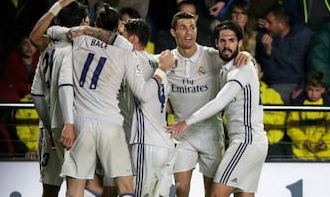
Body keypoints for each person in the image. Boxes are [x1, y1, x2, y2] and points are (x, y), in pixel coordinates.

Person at [59, 3, 176, 197]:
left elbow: (54, 33)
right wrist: (162, 69)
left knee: (76, 187)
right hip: (112, 124)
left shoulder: (79, 41)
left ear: (95, 23)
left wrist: (83, 29)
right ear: (118, 28)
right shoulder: (125, 51)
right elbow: (144, 92)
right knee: (126, 188)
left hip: (82, 121)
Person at [167, 20, 268, 197]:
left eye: (231, 40)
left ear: (240, 43)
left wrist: (186, 122)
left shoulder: (242, 67)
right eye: (222, 41)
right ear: (216, 44)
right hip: (251, 141)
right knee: (243, 195)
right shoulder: (225, 69)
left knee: (216, 194)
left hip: (246, 141)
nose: (227, 45)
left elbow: (219, 102)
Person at [29, 0, 92, 197]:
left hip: (49, 125)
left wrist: (56, 6)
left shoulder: (49, 48)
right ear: (83, 22)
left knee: (49, 189)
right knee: (75, 186)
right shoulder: (76, 49)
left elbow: (34, 36)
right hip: (70, 124)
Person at [121, 18, 176, 197]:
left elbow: (144, 94)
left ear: (133, 39)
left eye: (122, 35)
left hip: (147, 144)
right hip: (164, 144)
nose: (118, 39)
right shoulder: (156, 61)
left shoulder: (133, 58)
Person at [255, 4, 313, 104]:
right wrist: (268, 54)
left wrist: (303, 87)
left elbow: (311, 65)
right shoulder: (264, 39)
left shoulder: (303, 36)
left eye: (269, 23)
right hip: (275, 85)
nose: (266, 26)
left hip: (300, 84)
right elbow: (271, 76)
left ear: (281, 24)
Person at [287, 71, 330, 160]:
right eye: (310, 90)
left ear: (323, 90)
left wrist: (326, 142)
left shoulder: (329, 106)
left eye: (317, 90)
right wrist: (303, 141)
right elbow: (291, 127)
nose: (313, 94)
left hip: (323, 154)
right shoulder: (298, 105)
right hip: (301, 153)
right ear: (305, 88)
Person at [255, 62, 288, 160]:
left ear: (261, 74)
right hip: (246, 144)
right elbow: (227, 119)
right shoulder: (237, 93)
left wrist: (256, 117)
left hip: (272, 143)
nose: (252, 74)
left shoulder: (273, 94)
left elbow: (280, 120)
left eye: (255, 71)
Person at [2, 34, 39, 99]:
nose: (29, 47)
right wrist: (27, 87)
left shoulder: (41, 58)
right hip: (17, 96)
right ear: (19, 46)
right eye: (25, 43)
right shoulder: (12, 60)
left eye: (33, 44)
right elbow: (8, 84)